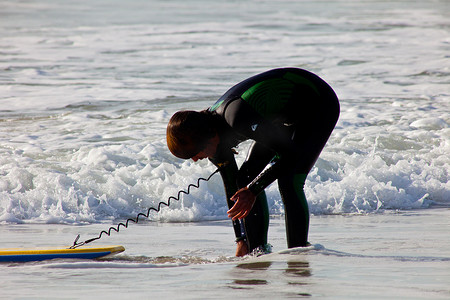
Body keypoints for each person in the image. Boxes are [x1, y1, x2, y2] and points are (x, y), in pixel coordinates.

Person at [166, 67, 340, 256]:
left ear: (209, 137)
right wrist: (241, 240)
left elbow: (289, 154)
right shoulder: (211, 141)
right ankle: (257, 251)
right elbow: (234, 189)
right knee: (244, 180)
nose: (195, 158)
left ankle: (298, 252)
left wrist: (253, 190)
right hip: (282, 117)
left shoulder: (237, 118)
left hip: (317, 102)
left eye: (194, 152)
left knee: (289, 179)